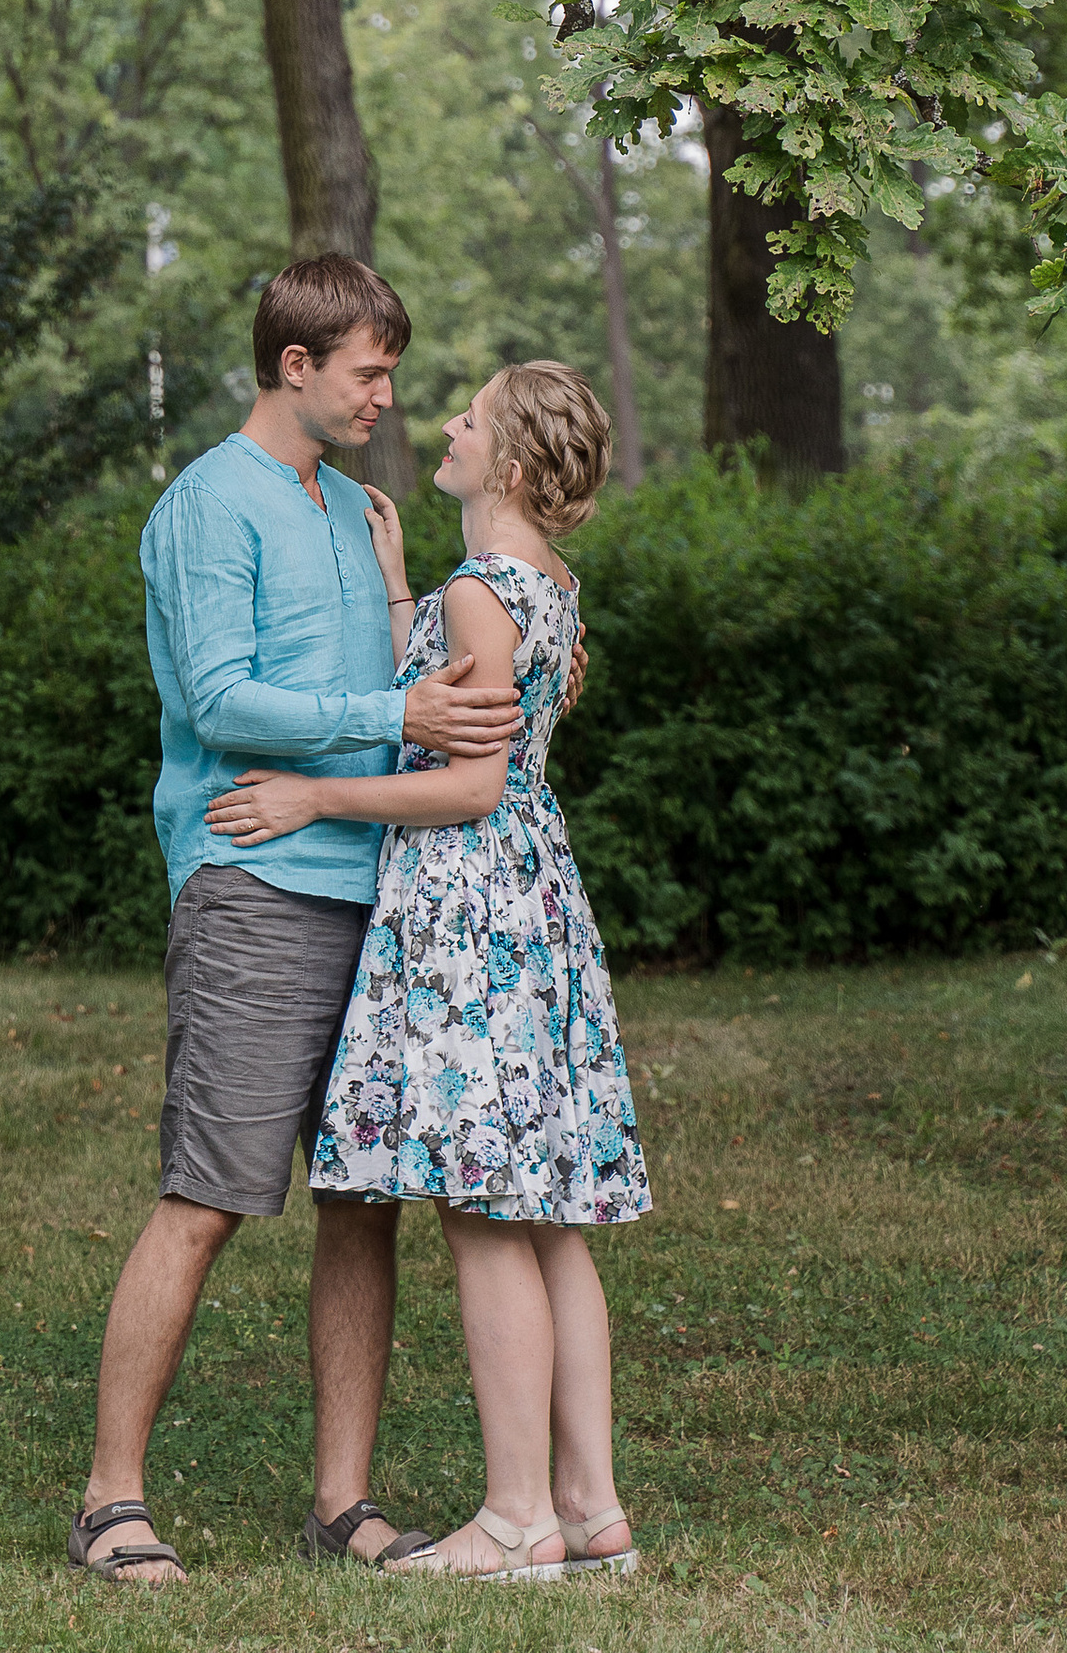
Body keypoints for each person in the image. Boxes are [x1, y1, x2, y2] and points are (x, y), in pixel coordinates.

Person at [66, 255, 524, 1589]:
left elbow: (376, 675)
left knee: (361, 1204)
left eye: (391, 369)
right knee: (207, 1197)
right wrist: (401, 715)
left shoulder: (345, 506)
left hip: (369, 888)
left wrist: (408, 641)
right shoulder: (216, 505)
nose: (389, 392)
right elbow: (221, 701)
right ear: (295, 368)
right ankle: (110, 1502)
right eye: (369, 370)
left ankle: (342, 1503)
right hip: (254, 885)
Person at [205, 358, 650, 1581]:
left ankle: (514, 1520)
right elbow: (462, 698)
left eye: (465, 416)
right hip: (532, 898)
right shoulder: (537, 581)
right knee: (549, 1214)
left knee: (483, 1207)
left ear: (505, 464)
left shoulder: (481, 591)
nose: (438, 425)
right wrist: (408, 587)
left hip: (468, 906)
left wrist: (311, 794)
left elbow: (466, 782)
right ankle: (587, 1503)